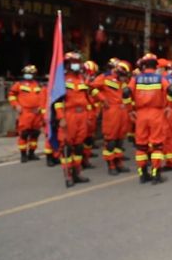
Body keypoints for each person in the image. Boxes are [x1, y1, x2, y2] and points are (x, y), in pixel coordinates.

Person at [125, 53, 172, 184]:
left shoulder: (136, 79)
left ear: (143, 65)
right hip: (156, 113)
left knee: (141, 146)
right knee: (157, 145)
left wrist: (130, 110)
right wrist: (169, 106)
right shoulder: (160, 78)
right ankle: (156, 174)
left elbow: (125, 93)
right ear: (155, 65)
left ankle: (143, 174)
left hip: (140, 115)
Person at [55, 52, 91, 187]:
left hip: (82, 116)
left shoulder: (82, 79)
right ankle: (68, 175)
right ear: (68, 64)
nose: (77, 64)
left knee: (79, 146)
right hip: (69, 116)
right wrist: (61, 118)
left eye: (78, 62)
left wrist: (88, 116)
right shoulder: (62, 81)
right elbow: (58, 102)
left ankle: (77, 173)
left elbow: (86, 98)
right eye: (74, 62)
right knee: (67, 147)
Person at [90, 60, 132, 175]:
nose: (124, 78)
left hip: (123, 111)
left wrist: (130, 111)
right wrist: (102, 99)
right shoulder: (105, 77)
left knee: (120, 140)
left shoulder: (123, 81)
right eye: (123, 75)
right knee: (111, 140)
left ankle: (119, 162)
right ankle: (111, 165)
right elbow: (91, 88)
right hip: (111, 111)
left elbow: (126, 97)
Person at [8, 65, 44, 163]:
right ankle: (23, 155)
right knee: (24, 134)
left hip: (37, 113)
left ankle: (31, 153)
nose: (28, 75)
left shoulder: (38, 85)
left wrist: (41, 107)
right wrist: (16, 106)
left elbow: (42, 98)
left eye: (30, 73)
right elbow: (11, 95)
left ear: (34, 74)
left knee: (35, 134)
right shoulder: (19, 84)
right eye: (26, 73)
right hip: (25, 112)